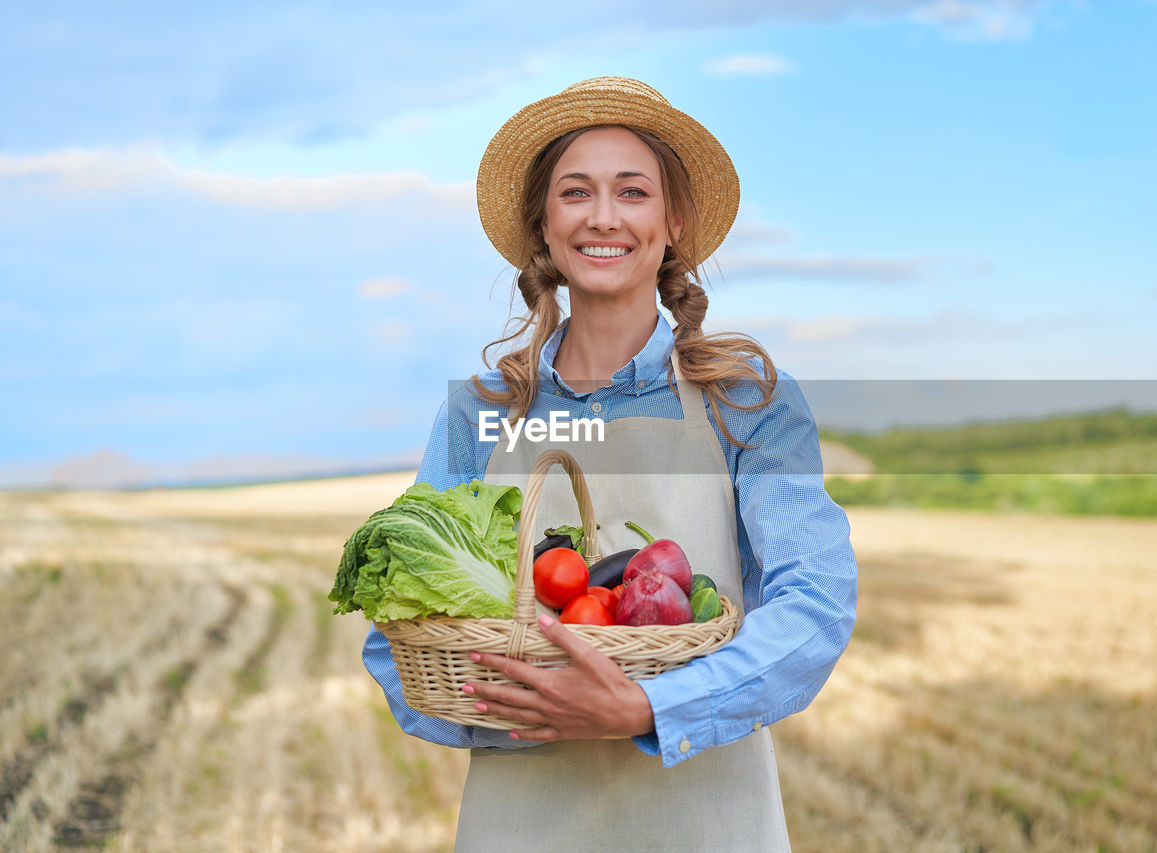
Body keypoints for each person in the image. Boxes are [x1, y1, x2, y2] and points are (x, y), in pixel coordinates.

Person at [362, 76, 857, 852]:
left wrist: (648, 711)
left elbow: (815, 606)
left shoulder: (745, 398)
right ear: (544, 226)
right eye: (574, 193)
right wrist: (517, 712)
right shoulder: (482, 412)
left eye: (632, 191)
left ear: (672, 222)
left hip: (705, 818)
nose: (603, 217)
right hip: (522, 823)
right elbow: (394, 625)